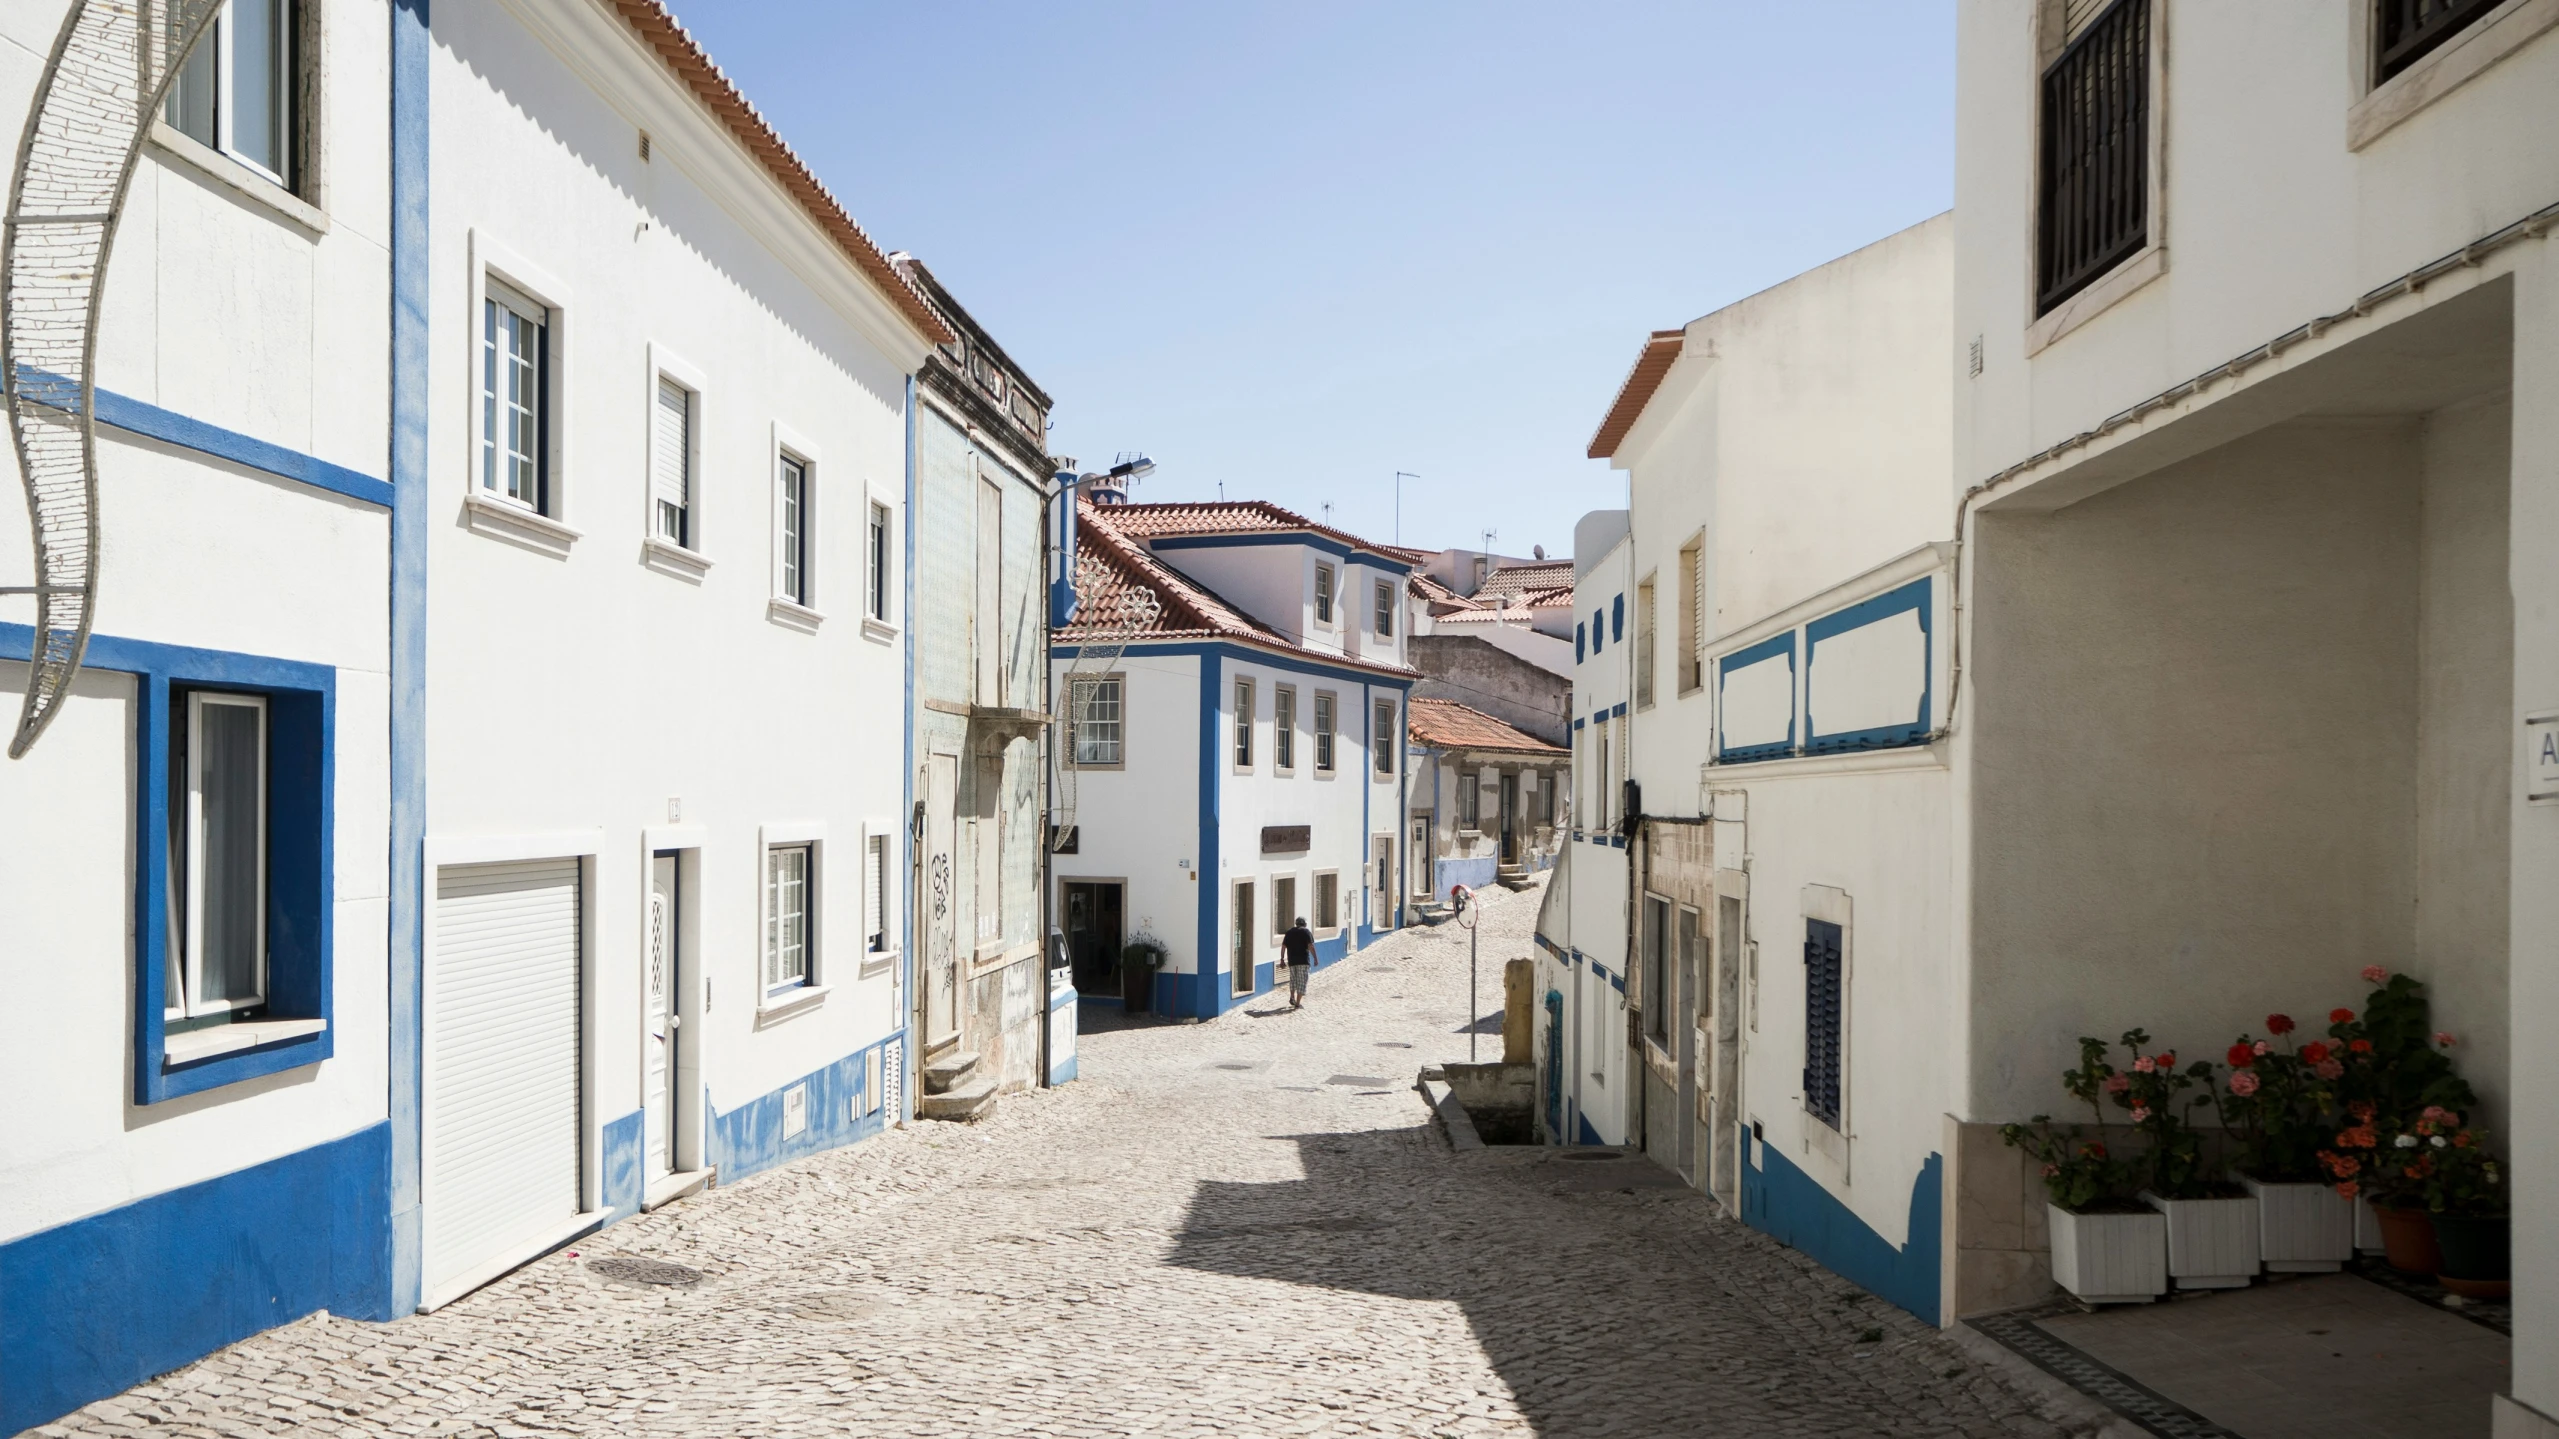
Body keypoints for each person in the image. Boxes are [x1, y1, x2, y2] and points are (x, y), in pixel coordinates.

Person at [1282, 915, 1315, 1009]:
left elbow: (1283, 946)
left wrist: (1282, 959)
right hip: (1303, 961)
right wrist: (1315, 958)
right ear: (1305, 924)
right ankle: (1297, 1003)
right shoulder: (1306, 932)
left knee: (1293, 979)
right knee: (1302, 981)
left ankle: (1292, 996)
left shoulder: (1289, 932)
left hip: (1292, 960)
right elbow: (1311, 946)